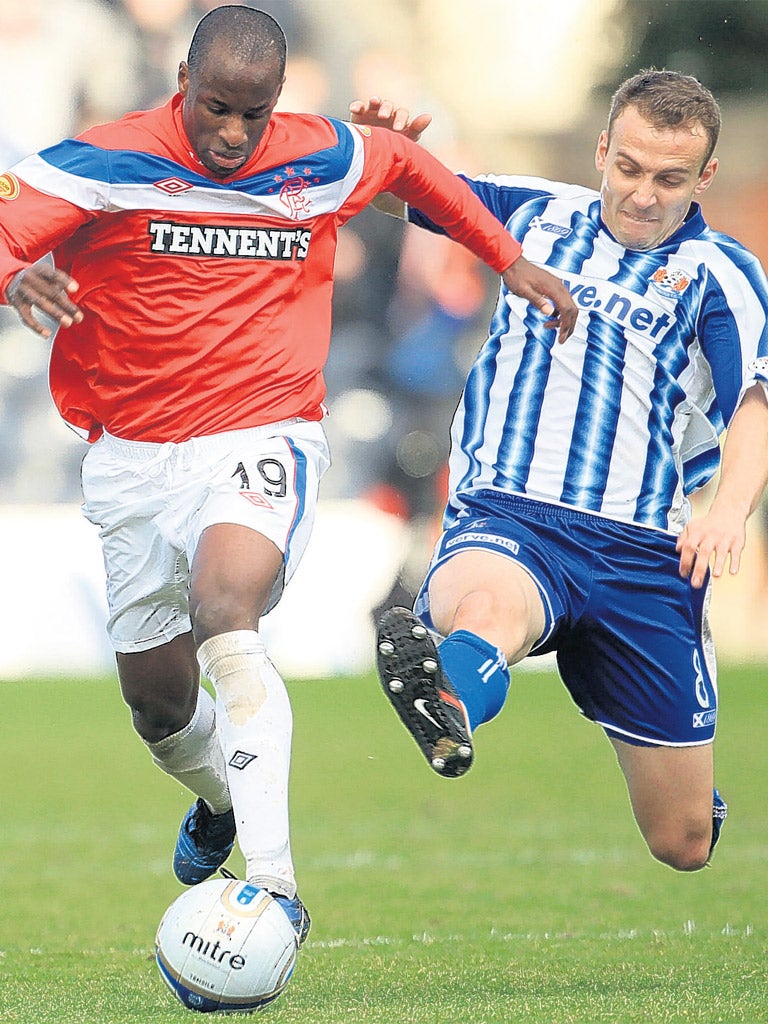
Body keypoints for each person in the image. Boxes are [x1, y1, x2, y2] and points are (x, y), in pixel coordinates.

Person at [0, 5, 576, 944]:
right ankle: (221, 797)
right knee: (158, 706)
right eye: (217, 110)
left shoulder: (317, 156)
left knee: (229, 609)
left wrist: (507, 260)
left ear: (277, 103)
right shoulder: (100, 163)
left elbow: (408, 165)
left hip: (263, 433)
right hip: (132, 460)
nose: (234, 135)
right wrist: (17, 273)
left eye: (253, 114)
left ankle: (273, 886)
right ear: (183, 85)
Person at [351, 70, 768, 872]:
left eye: (670, 179)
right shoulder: (536, 211)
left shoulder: (723, 275)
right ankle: (447, 695)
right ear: (605, 149)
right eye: (631, 169)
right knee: (485, 611)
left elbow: (755, 402)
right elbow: (397, 196)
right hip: (511, 514)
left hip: (642, 551)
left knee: (682, 843)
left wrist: (727, 510)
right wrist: (382, 150)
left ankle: (473, 687)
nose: (644, 194)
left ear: (703, 177)